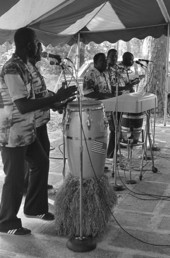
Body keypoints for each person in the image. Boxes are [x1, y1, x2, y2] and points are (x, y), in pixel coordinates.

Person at [0, 27, 77, 235]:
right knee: (14, 179)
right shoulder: (12, 68)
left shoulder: (25, 66)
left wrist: (57, 100)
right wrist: (55, 98)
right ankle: (6, 222)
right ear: (28, 45)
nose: (39, 46)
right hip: (12, 133)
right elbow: (23, 105)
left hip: (27, 130)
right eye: (36, 43)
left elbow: (34, 98)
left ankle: (34, 208)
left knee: (41, 162)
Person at [24, 42, 57, 193]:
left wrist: (54, 97)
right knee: (37, 158)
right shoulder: (25, 69)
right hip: (33, 122)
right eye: (39, 48)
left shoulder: (34, 68)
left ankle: (40, 184)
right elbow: (29, 98)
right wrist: (53, 102)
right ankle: (31, 187)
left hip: (42, 119)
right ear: (31, 48)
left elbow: (41, 91)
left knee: (44, 152)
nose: (41, 52)